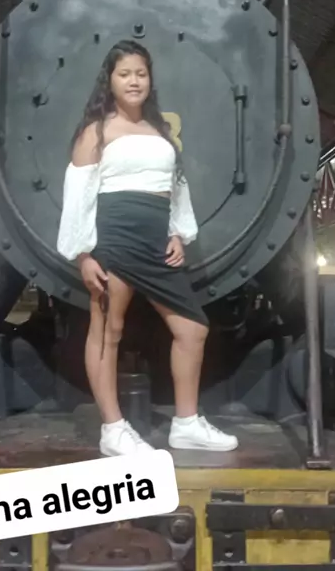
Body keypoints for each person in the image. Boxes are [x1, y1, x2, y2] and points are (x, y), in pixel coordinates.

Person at [57, 39, 238, 457]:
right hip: (114, 238)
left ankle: (186, 424)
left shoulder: (159, 130)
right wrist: (83, 255)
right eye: (125, 74)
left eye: (141, 73)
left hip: (157, 240)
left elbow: (175, 187)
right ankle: (113, 430)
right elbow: (78, 195)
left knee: (193, 329)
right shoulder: (95, 131)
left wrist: (177, 233)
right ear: (110, 81)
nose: (134, 81)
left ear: (150, 79)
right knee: (108, 331)